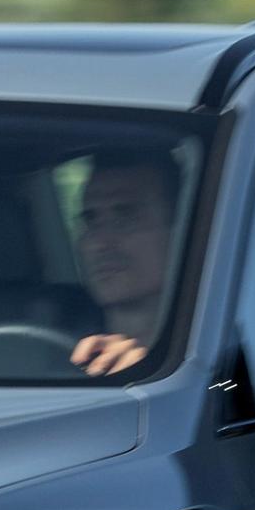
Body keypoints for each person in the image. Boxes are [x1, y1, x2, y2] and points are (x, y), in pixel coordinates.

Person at [68, 151, 178, 377]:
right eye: (91, 221)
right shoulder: (47, 350)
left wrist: (148, 369)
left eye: (125, 219)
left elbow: (232, 390)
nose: (99, 243)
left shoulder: (219, 343)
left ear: (183, 231)